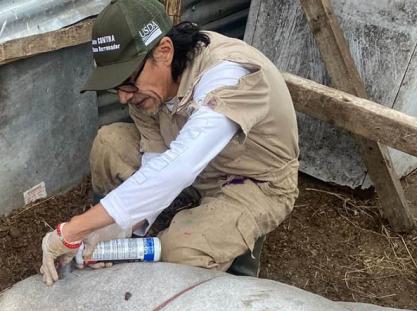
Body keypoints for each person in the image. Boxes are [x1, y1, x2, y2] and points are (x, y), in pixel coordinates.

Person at [40, 0, 299, 285]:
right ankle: (110, 231)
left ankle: (238, 267)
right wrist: (120, 226)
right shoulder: (149, 90)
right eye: (116, 85)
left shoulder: (228, 75)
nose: (123, 97)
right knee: (109, 144)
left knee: (178, 252)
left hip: (251, 180)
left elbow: (179, 167)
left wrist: (73, 230)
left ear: (163, 51)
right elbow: (156, 154)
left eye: (126, 80)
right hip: (196, 170)